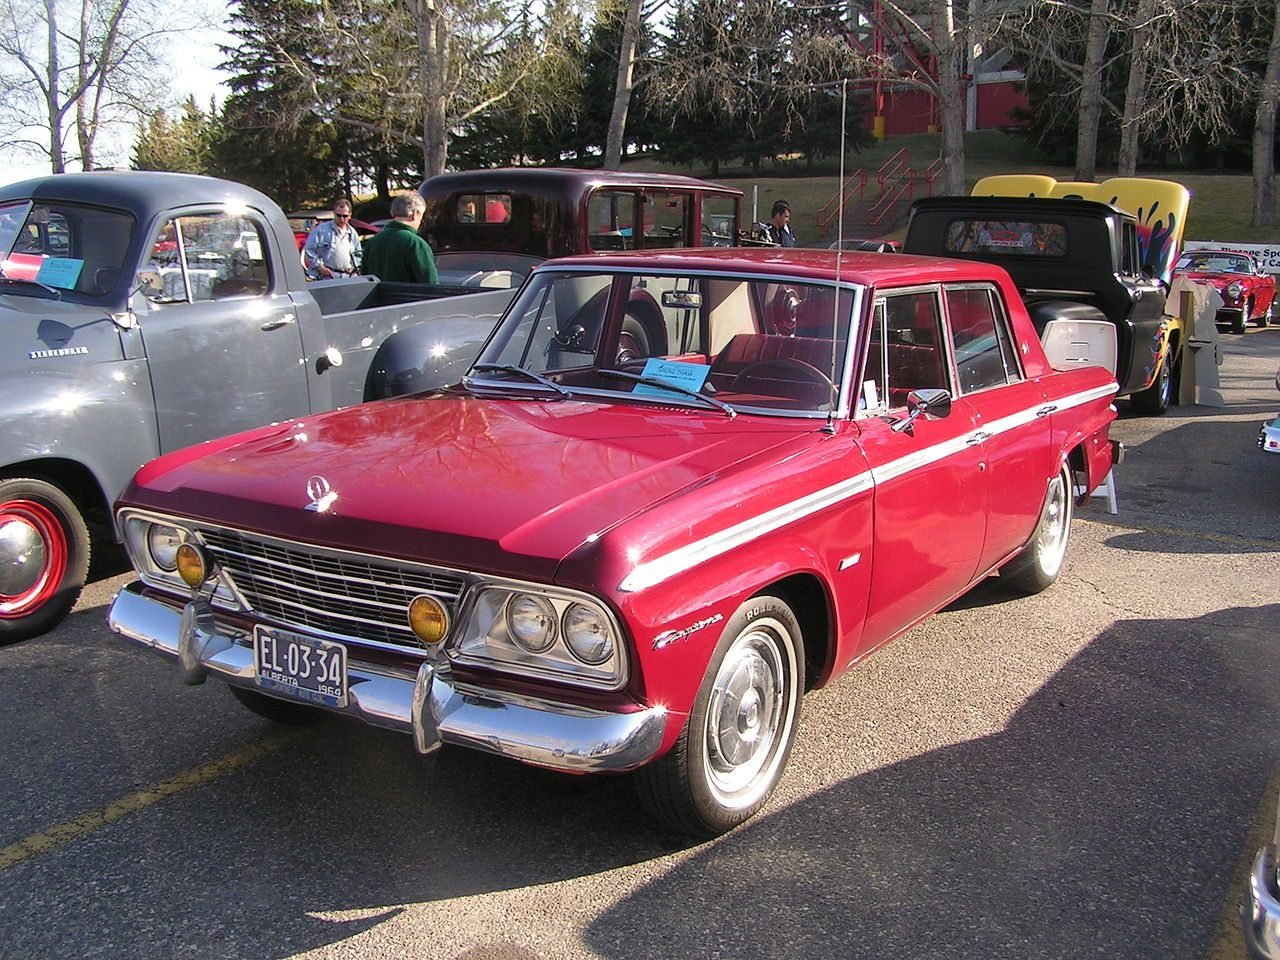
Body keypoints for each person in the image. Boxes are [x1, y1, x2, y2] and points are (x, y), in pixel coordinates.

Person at [361, 192, 439, 284]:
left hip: (378, 297)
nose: (421, 221)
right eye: (421, 215)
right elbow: (431, 284)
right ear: (415, 214)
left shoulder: (372, 242)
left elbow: (365, 279)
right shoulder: (416, 244)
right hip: (409, 297)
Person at [302, 200, 363, 280]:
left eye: (345, 216)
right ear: (334, 213)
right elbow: (309, 250)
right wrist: (320, 267)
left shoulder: (352, 233)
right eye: (338, 215)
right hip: (328, 277)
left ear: (350, 215)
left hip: (348, 277)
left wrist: (354, 268)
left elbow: (358, 254)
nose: (341, 219)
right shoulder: (321, 230)